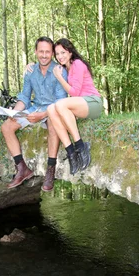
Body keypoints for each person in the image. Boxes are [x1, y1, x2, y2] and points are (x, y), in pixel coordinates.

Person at [1, 37, 67, 190]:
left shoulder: (59, 71)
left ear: (52, 53)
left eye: (47, 52)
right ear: (36, 52)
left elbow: (60, 102)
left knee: (52, 123)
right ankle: (22, 168)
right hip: (35, 107)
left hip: (53, 110)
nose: (44, 55)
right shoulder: (30, 71)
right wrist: (15, 111)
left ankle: (50, 169)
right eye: (41, 51)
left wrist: (43, 115)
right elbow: (24, 97)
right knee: (6, 127)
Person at [48, 38, 103, 175]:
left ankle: (80, 146)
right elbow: (45, 66)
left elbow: (75, 92)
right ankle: (71, 152)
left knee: (59, 104)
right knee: (50, 109)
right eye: (57, 54)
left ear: (70, 52)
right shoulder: (66, 68)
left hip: (93, 102)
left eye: (63, 52)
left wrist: (59, 77)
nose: (60, 56)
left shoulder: (77, 64)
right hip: (81, 104)